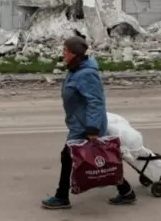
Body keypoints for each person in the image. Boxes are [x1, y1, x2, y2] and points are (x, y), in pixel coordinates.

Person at [41, 33, 136, 209]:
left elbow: (95, 101)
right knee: (102, 158)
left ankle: (62, 197)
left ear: (74, 54)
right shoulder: (76, 69)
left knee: (70, 157)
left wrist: (92, 128)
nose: (63, 54)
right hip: (81, 123)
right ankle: (126, 191)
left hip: (87, 126)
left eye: (65, 51)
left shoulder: (86, 74)